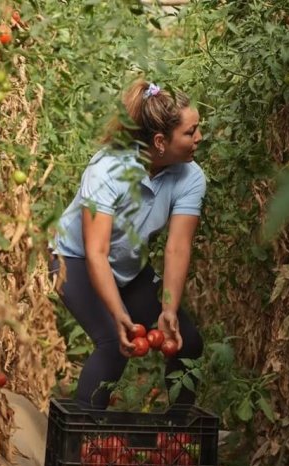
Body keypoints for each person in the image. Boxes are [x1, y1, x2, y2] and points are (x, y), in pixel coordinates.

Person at [49, 79, 205, 410]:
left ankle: (177, 442)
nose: (199, 139)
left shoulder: (190, 178)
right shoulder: (108, 169)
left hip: (128, 266)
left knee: (188, 341)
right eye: (190, 133)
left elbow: (177, 247)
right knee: (112, 344)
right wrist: (120, 313)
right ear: (161, 141)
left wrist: (168, 310)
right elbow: (96, 251)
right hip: (73, 259)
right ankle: (80, 447)